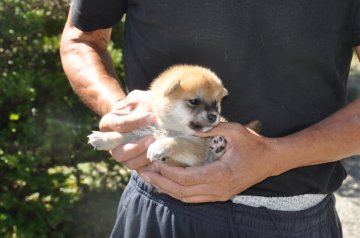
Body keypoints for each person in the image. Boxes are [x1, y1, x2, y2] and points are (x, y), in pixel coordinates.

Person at [60, 0, 360, 237]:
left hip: (291, 218)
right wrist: (122, 112)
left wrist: (275, 156)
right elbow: (82, 38)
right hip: (160, 201)